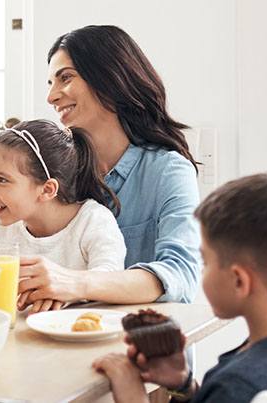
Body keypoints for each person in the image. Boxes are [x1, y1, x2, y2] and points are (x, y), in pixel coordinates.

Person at [92, 173, 267, 403]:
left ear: (239, 281)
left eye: (205, 262)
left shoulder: (236, 386)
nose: (201, 271)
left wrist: (133, 395)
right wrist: (184, 386)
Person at [18, 24, 203, 310]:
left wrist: (76, 282)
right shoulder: (58, 175)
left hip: (144, 348)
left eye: (65, 78)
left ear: (109, 78)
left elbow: (181, 275)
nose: (51, 96)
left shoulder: (168, 171)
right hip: (66, 341)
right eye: (50, 84)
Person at [0, 119, 125, 312]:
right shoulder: (2, 232)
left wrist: (67, 289)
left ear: (46, 190)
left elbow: (110, 277)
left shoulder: (93, 221)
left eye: (2, 180)